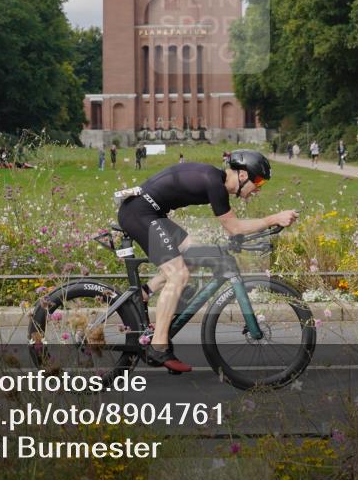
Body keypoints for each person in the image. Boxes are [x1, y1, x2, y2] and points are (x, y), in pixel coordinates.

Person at [117, 150, 298, 372]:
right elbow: (233, 228)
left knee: (193, 252)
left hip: (148, 212)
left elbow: (232, 229)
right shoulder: (214, 184)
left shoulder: (214, 181)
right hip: (139, 213)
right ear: (242, 175)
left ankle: (143, 293)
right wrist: (273, 219)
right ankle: (158, 346)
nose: (259, 187)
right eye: (258, 180)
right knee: (179, 274)